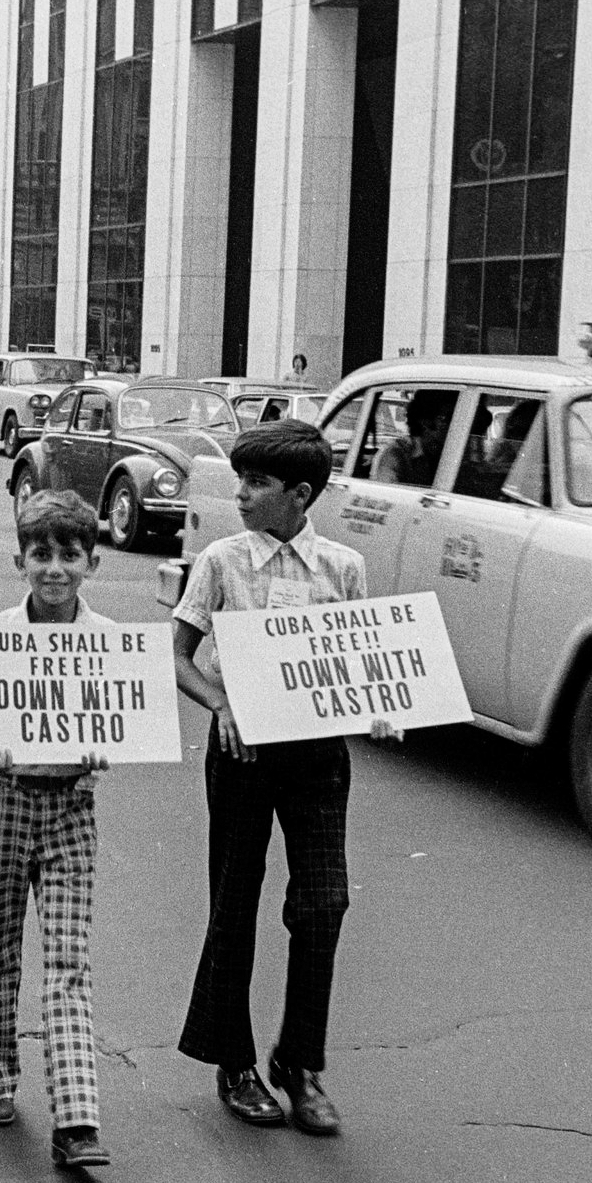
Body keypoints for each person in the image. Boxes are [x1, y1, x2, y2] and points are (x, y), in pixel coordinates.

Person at [171, 420, 398, 1135]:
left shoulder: (343, 568)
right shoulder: (221, 561)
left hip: (318, 758)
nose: (240, 493)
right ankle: (233, 1063)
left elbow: (361, 661)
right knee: (234, 902)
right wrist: (220, 702)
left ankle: (301, 1065)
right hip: (242, 756)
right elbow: (178, 654)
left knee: (323, 903)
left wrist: (381, 707)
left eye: (257, 483)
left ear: (300, 495)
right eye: (240, 478)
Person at [0, 490, 115, 1170]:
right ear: (19, 560)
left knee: (67, 961)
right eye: (41, 554)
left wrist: (105, 746)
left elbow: (121, 722)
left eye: (69, 555)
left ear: (92, 561)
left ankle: (77, 1118)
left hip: (70, 808)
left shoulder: (108, 643)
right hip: (1, 800)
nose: (54, 569)